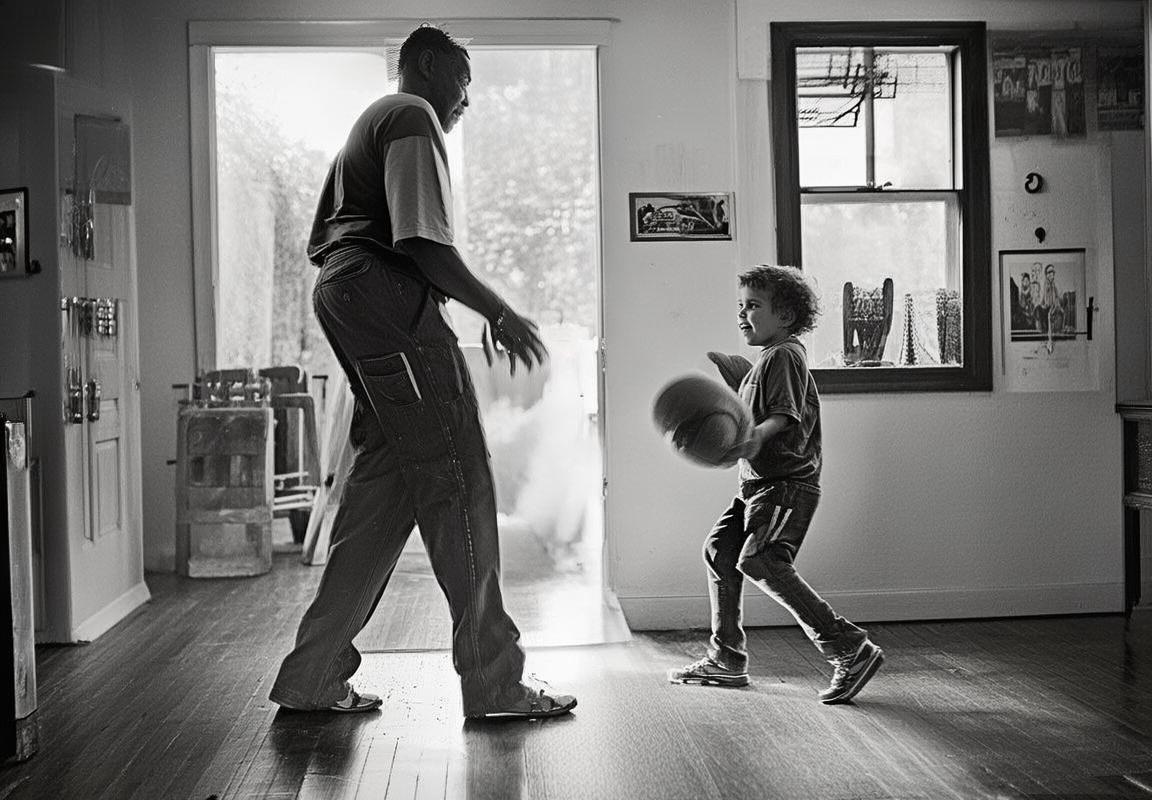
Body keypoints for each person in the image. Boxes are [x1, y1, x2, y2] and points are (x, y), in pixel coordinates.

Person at [269, 25, 576, 719]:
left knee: (389, 491)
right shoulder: (410, 115)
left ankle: (312, 675)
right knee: (458, 475)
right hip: (383, 294)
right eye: (463, 80)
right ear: (429, 64)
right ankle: (494, 681)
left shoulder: (373, 125)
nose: (466, 99)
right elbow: (418, 241)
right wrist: (500, 311)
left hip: (350, 293)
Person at [669, 265, 884, 704]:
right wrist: (737, 378)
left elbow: (784, 417)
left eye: (753, 306)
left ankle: (848, 647)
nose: (742, 314)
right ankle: (726, 659)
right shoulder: (768, 359)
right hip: (757, 485)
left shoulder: (785, 354)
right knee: (720, 550)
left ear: (785, 315)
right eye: (740, 305)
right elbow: (755, 402)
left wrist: (751, 437)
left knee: (763, 560)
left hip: (786, 485)